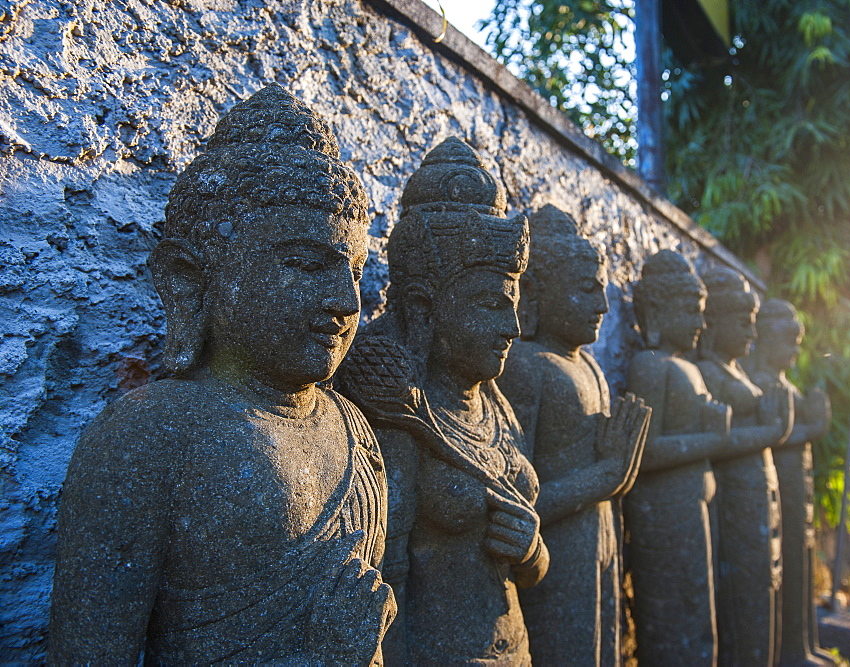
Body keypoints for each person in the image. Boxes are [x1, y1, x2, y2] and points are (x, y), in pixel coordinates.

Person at [48, 84, 395, 664]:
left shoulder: (353, 428)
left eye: (353, 269)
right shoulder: (149, 435)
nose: (345, 299)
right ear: (190, 278)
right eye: (306, 265)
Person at [337, 137, 548, 665]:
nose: (513, 328)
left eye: (513, 306)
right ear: (423, 306)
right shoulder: (389, 404)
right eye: (489, 305)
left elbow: (531, 564)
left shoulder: (492, 402)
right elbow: (379, 588)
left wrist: (532, 550)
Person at [496, 204, 648, 666]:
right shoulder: (525, 367)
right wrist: (603, 477)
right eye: (586, 290)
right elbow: (511, 503)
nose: (602, 305)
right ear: (537, 291)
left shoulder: (590, 367)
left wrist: (617, 472)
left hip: (599, 542)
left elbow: (610, 469)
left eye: (601, 290)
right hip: (554, 557)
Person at [625, 249, 730, 665]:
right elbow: (644, 452)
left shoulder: (684, 367)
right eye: (691, 311)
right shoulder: (650, 366)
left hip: (690, 508)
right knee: (674, 619)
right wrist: (710, 438)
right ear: (657, 310)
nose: (701, 324)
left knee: (698, 613)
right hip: (663, 513)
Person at [696, 266, 792, 667]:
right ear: (715, 322)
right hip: (734, 494)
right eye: (744, 323)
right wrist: (772, 431)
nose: (753, 334)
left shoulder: (733, 371)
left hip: (758, 494)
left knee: (766, 591)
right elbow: (717, 441)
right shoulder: (707, 373)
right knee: (744, 596)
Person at [748, 299, 834, 666]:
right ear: (766, 338)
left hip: (799, 486)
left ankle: (802, 645)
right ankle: (789, 651)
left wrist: (814, 414)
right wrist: (813, 427)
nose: (795, 349)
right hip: (780, 483)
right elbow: (774, 433)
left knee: (802, 561)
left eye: (798, 340)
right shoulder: (759, 381)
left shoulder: (781, 382)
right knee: (787, 566)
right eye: (789, 340)